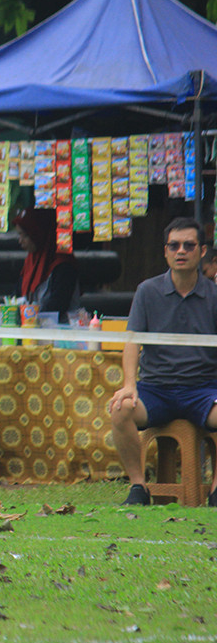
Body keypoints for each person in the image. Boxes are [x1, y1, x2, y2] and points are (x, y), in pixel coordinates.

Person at [107, 217, 217, 507]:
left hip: (204, 389)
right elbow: (132, 342)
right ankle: (138, 487)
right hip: (156, 389)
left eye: (189, 245)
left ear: (202, 251)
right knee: (120, 409)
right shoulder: (147, 291)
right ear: (165, 251)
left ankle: (216, 489)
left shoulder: (214, 295)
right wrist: (129, 385)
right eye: (174, 245)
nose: (181, 251)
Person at [13, 207, 80, 321]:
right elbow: (17, 295)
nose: (20, 241)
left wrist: (31, 316)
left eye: (24, 235)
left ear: (38, 234)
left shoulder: (63, 265)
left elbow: (58, 305)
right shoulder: (31, 262)